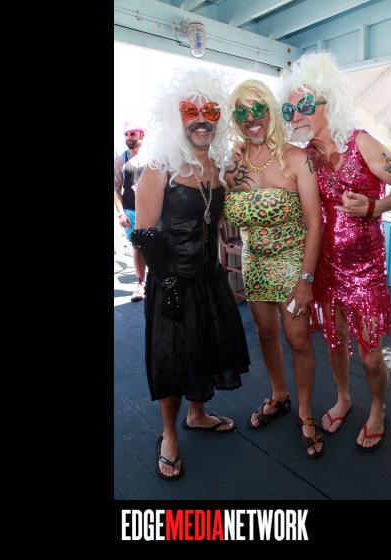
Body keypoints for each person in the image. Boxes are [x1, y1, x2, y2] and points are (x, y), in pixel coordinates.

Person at [282, 52, 391, 451]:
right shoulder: (306, 158)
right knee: (335, 341)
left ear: (331, 102)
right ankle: (343, 397)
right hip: (324, 269)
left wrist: (375, 206)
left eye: (305, 105)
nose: (296, 115)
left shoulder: (361, 143)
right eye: (290, 109)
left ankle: (378, 407)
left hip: (366, 272)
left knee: (371, 355)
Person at [131, 69, 250, 480]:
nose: (201, 120)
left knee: (204, 350)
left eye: (210, 111)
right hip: (172, 280)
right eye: (190, 111)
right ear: (175, 116)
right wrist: (165, 284)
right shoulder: (159, 169)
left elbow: (219, 217)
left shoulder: (217, 168)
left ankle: (197, 415)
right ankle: (169, 435)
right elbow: (144, 234)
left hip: (209, 279)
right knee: (171, 359)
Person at [223, 79, 324, 459]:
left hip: (293, 264)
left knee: (298, 340)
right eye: (242, 112)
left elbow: (315, 223)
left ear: (270, 112)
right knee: (266, 334)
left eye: (258, 109)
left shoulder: (297, 159)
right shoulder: (232, 165)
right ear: (235, 118)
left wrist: (306, 280)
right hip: (253, 264)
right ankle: (279, 395)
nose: (251, 119)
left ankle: (305, 413)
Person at [114, 122, 148, 301]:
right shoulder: (121, 160)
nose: (128, 138)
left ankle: (159, 281)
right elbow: (116, 189)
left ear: (141, 135)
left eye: (132, 134)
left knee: (158, 245)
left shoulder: (153, 157)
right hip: (131, 210)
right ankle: (140, 284)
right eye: (126, 135)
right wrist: (121, 213)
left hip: (152, 209)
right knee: (138, 246)